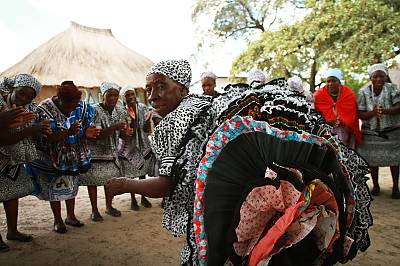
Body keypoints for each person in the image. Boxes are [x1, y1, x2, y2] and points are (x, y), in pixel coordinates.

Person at [106, 60, 372, 265]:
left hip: (221, 209)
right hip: (247, 203)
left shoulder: (176, 122)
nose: (152, 96)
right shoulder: (206, 105)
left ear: (183, 88)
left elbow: (167, 183)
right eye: (149, 89)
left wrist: (126, 184)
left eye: (161, 86)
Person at [28, 80, 99, 233]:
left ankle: (71, 216)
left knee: (71, 183)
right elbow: (45, 139)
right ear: (60, 100)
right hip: (51, 156)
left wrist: (87, 132)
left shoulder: (80, 106)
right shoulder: (44, 110)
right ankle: (58, 220)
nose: (70, 110)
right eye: (68, 107)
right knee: (54, 186)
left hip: (73, 155)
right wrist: (68, 132)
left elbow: (86, 125)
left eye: (74, 106)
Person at [0, 74, 51, 251]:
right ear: (12, 89)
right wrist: (32, 129)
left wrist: (40, 130)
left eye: (29, 97)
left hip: (11, 159)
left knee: (12, 193)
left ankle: (12, 231)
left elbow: (33, 135)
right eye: (21, 94)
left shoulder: (29, 109)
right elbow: (3, 140)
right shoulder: (1, 105)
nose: (24, 100)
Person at [79, 82, 128, 221]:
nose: (113, 98)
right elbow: (97, 135)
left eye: (115, 95)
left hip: (111, 152)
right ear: (103, 96)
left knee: (110, 181)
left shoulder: (120, 110)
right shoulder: (93, 110)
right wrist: (115, 127)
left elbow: (123, 134)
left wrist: (126, 132)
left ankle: (109, 206)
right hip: (95, 152)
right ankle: (94, 210)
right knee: (92, 181)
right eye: (109, 95)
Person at [357, 63, 400, 199]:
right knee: (372, 160)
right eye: (375, 76)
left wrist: (385, 111)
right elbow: (361, 113)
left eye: (381, 76)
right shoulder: (363, 92)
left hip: (391, 132)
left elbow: (399, 107)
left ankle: (395, 187)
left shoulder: (393, 89)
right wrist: (373, 113)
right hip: (371, 133)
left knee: (394, 160)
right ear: (371, 78)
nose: (378, 79)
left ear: (386, 76)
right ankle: (375, 186)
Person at [118, 86, 155, 210]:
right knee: (130, 174)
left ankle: (144, 197)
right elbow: (122, 132)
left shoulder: (143, 108)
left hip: (143, 144)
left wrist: (146, 121)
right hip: (129, 145)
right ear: (123, 98)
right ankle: (133, 199)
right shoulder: (121, 111)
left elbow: (147, 129)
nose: (131, 97)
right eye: (127, 95)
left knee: (142, 173)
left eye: (132, 94)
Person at [314, 68, 361, 148]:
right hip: (325, 131)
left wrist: (343, 121)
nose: (330, 84)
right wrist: (328, 121)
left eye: (333, 81)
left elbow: (351, 116)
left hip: (346, 131)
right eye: (328, 81)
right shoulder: (319, 95)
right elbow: (316, 115)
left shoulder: (348, 94)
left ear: (339, 82)